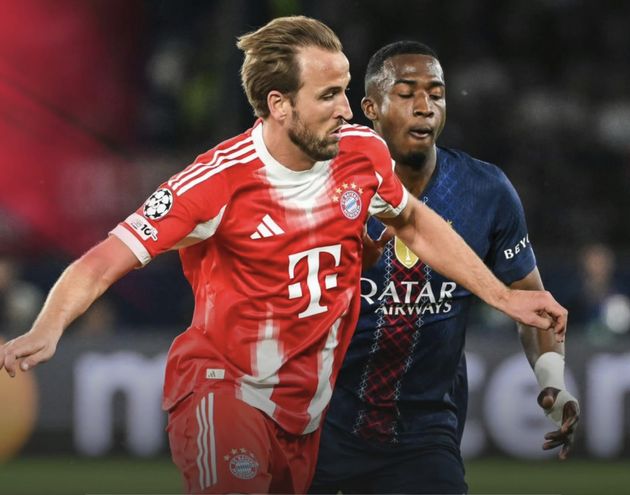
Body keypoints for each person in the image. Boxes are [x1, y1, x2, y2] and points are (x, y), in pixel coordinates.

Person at [0, 18, 567, 494]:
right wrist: (49, 326)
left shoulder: (362, 154)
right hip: (224, 391)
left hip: (306, 418)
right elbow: (102, 260)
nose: (347, 110)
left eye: (344, 90)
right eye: (328, 96)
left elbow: (414, 222)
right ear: (279, 105)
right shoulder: (214, 184)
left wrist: (501, 296)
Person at [310, 41, 580, 494]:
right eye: (406, 93)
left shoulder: (486, 191)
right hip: (318, 420)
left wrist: (553, 381)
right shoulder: (322, 183)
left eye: (436, 94)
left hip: (422, 433)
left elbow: (531, 303)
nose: (425, 106)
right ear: (370, 108)